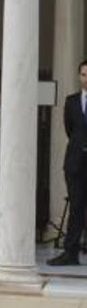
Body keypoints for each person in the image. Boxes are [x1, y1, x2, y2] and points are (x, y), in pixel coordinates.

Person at [51, 61, 87, 266]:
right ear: (79, 76)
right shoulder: (71, 101)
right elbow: (70, 130)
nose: (86, 78)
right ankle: (70, 253)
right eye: (83, 74)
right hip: (75, 163)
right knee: (76, 208)